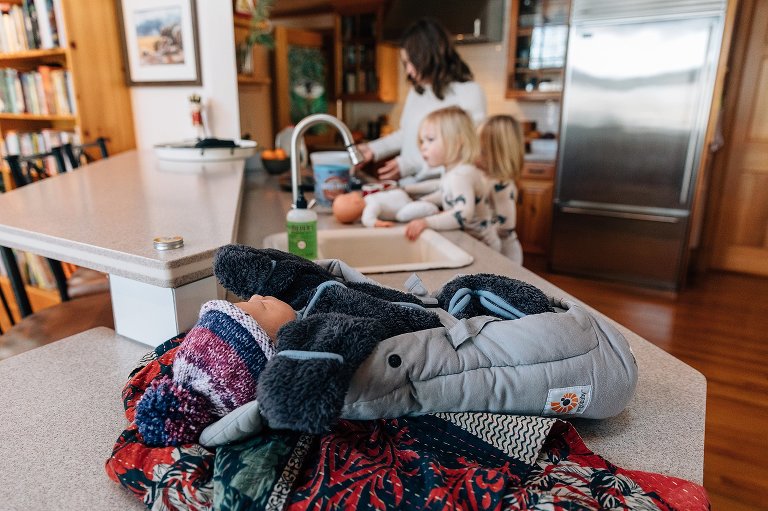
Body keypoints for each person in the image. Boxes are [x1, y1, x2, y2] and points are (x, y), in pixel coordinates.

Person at [355, 18, 487, 184]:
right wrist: (373, 149)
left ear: (430, 56)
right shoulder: (418, 91)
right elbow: (406, 133)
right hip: (409, 186)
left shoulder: (469, 92)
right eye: (405, 63)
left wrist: (409, 165)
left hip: (445, 190)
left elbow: (468, 153)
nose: (409, 71)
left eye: (412, 62)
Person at [404, 106, 500, 251]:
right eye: (422, 141)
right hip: (469, 242)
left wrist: (426, 222)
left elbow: (463, 213)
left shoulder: (460, 176)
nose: (423, 147)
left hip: (483, 247)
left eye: (430, 140)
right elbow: (445, 193)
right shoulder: (453, 171)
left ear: (457, 141)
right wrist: (416, 199)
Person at [477, 115, 525, 264]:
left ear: (497, 156)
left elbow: (507, 225)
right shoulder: (486, 178)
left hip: (506, 255)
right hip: (493, 251)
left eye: (481, 151)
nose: (474, 155)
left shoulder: (502, 185)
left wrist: (487, 232)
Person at [331, 189, 438, 227]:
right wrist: (379, 224)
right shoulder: (370, 206)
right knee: (402, 216)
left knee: (404, 213)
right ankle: (433, 210)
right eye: (347, 196)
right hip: (401, 205)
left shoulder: (367, 199)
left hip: (399, 201)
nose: (351, 193)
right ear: (355, 202)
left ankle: (429, 205)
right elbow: (367, 220)